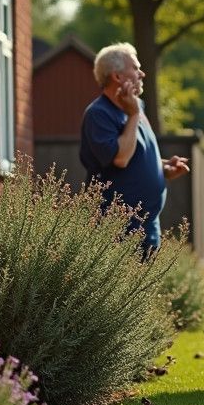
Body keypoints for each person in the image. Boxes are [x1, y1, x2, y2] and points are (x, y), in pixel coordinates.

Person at [80, 42, 189, 255]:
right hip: (117, 234)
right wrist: (133, 115)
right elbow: (121, 159)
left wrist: (165, 168)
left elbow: (138, 157)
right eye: (135, 68)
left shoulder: (136, 108)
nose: (142, 73)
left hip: (148, 229)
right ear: (117, 77)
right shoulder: (99, 114)